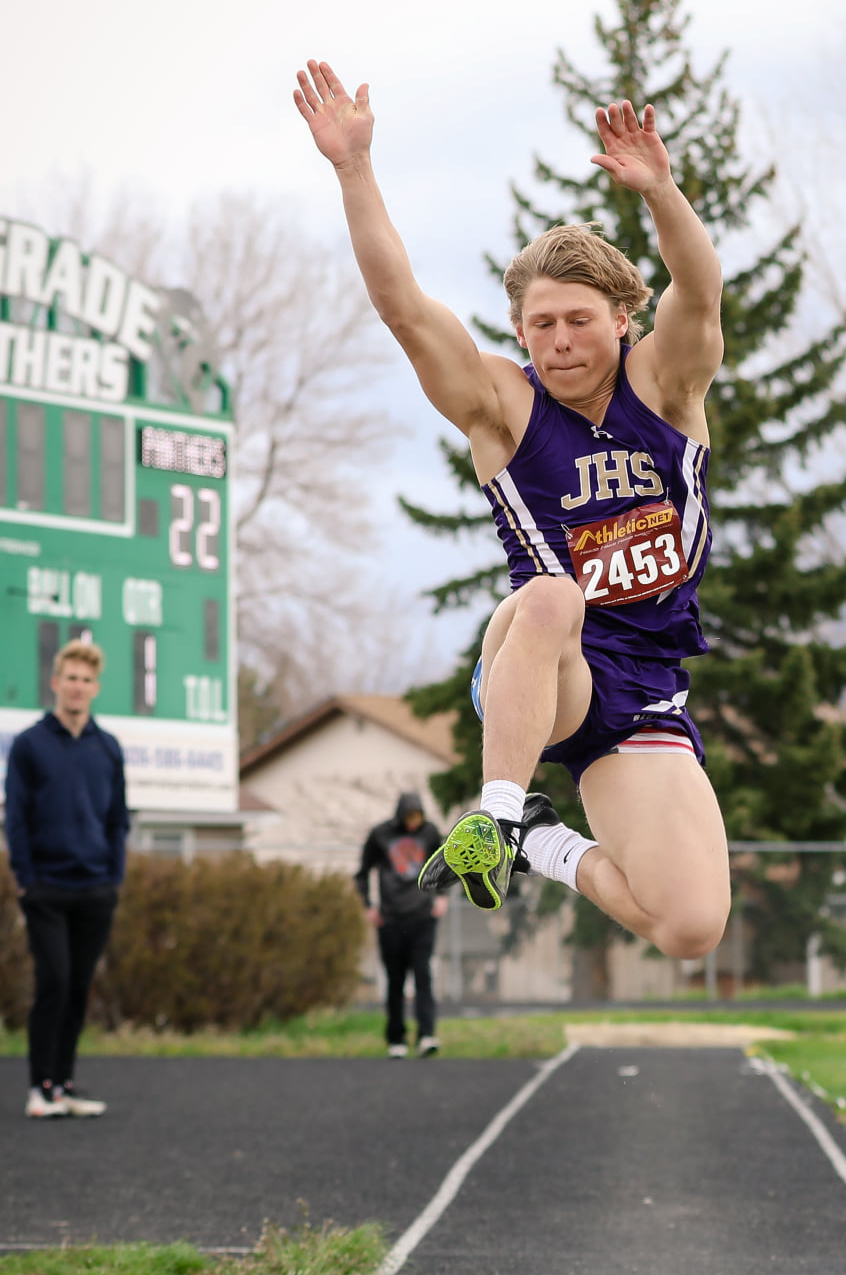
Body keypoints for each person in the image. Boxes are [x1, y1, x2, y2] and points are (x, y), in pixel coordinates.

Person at [294, 60, 730, 959]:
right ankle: (494, 814)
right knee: (555, 593)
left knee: (689, 927)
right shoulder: (503, 406)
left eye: (578, 320)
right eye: (541, 325)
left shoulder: (666, 385)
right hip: (544, 662)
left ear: (621, 319)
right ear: (519, 331)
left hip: (647, 682)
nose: (560, 342)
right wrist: (354, 169)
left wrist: (661, 192)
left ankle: (536, 838)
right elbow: (404, 310)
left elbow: (698, 289)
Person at [3, 640, 128, 1119]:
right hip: (46, 889)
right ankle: (40, 1088)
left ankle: (64, 1085)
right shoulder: (30, 745)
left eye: (86, 680)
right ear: (56, 683)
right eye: (70, 678)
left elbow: (117, 819)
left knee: (78, 987)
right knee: (53, 981)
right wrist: (26, 879)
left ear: (96, 688)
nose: (77, 687)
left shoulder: (108, 748)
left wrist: (114, 877)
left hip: (96, 888)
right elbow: (16, 817)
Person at [354, 792, 446, 1057]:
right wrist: (368, 906)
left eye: (418, 817)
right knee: (395, 981)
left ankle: (426, 1035)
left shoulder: (430, 833)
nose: (414, 823)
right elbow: (362, 873)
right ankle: (397, 1040)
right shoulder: (380, 834)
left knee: (423, 976)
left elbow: (445, 864)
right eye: (410, 817)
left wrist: (442, 897)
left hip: (422, 917)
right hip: (391, 919)